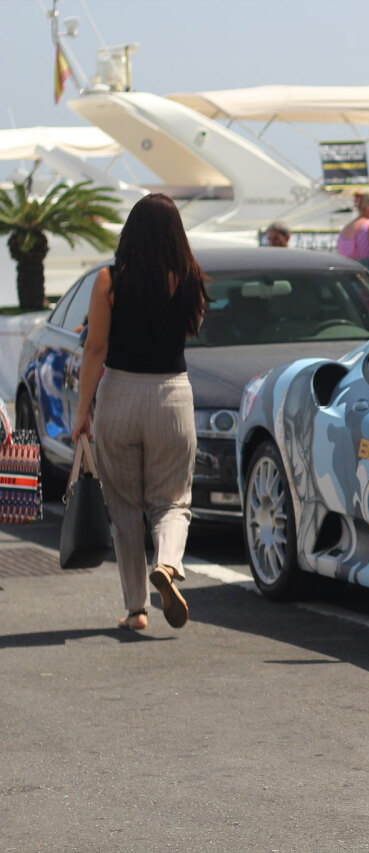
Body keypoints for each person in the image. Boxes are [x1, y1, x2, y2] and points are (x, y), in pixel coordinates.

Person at [71, 193, 209, 632]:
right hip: (171, 395)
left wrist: (82, 412)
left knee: (125, 507)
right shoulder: (189, 279)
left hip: (119, 393)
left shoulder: (108, 281)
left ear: (129, 232)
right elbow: (194, 327)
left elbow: (95, 348)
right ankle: (167, 565)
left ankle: (136, 610)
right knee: (171, 500)